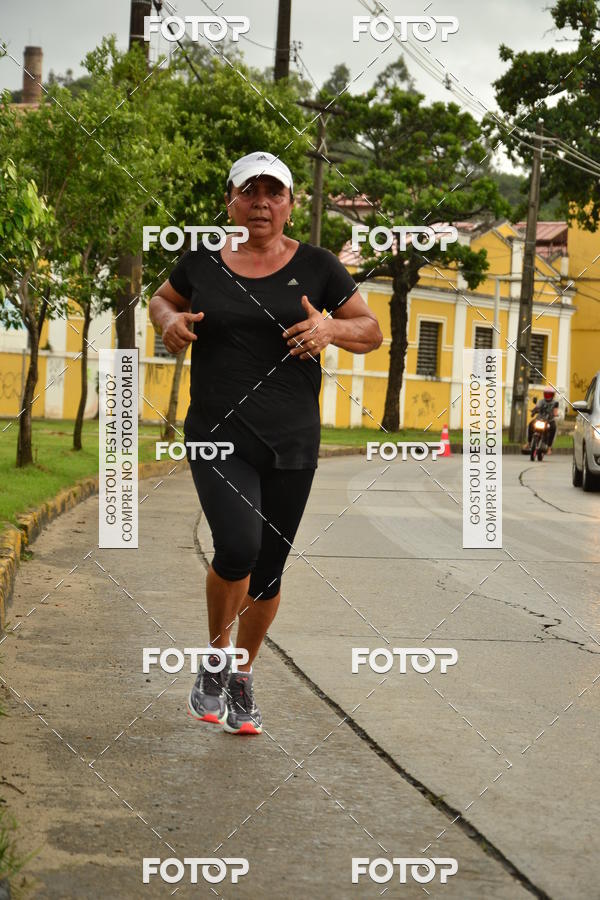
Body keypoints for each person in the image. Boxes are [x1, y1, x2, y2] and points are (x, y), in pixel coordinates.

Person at [148, 151, 383, 735]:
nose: (261, 203)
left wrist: (330, 327)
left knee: (270, 572)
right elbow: (163, 299)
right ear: (229, 202)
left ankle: (242, 675)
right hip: (217, 433)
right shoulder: (202, 263)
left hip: (292, 440)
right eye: (249, 192)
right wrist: (168, 323)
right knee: (237, 547)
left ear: (290, 204)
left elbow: (371, 331)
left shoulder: (319, 266)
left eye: (273, 193)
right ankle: (215, 659)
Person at [525, 387, 559, 453]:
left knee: (553, 427)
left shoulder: (555, 403)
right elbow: (537, 407)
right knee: (531, 424)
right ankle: (529, 443)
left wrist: (555, 414)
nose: (548, 395)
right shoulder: (540, 401)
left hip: (549, 420)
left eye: (549, 394)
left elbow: (555, 411)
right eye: (546, 394)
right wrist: (534, 411)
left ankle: (549, 447)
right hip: (539, 419)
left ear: (552, 395)